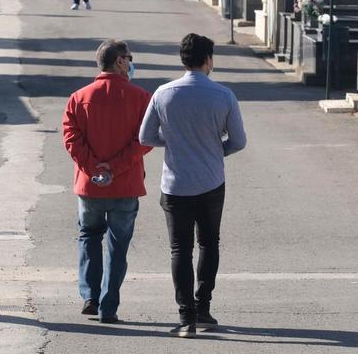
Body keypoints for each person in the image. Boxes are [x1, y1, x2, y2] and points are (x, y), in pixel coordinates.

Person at [139, 33, 247, 338]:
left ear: (183, 60)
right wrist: (216, 150)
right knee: (209, 244)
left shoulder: (163, 93)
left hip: (175, 183)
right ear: (208, 60)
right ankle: (203, 308)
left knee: (180, 248)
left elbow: (145, 137)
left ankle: (185, 317)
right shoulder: (223, 95)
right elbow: (238, 141)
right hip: (211, 180)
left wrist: (173, 142)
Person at [62, 39, 152, 324]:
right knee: (118, 244)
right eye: (130, 57)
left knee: (89, 235)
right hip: (125, 185)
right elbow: (144, 140)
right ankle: (108, 305)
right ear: (120, 61)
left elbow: (71, 138)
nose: (132, 62)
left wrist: (93, 168)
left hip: (89, 185)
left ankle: (90, 295)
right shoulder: (140, 98)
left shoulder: (79, 97)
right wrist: (114, 168)